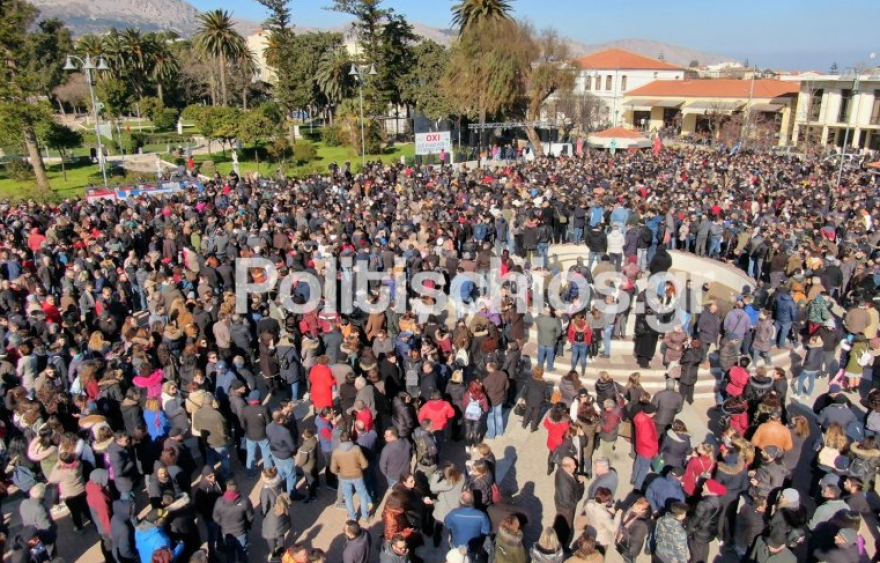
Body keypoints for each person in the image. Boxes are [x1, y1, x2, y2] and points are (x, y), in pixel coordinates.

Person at [329, 430, 373, 524]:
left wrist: (340, 471)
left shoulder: (336, 452)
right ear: (349, 439)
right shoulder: (356, 449)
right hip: (357, 475)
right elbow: (364, 464)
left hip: (344, 477)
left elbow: (333, 469)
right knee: (362, 496)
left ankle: (352, 517)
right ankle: (365, 516)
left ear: (340, 440)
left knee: (348, 498)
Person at [212, 479, 254, 563]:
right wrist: (246, 525)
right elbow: (250, 516)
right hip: (241, 532)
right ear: (237, 488)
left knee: (230, 553)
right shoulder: (244, 501)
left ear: (227, 488)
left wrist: (223, 524)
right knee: (243, 553)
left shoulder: (220, 501)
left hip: (227, 533)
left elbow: (215, 517)